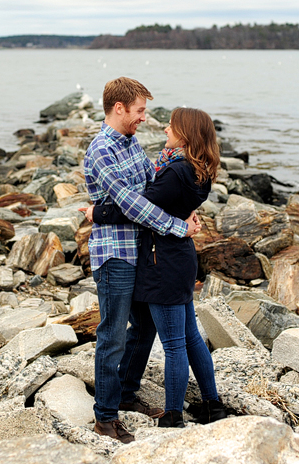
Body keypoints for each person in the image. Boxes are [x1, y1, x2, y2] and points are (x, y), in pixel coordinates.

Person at [88, 107, 228, 428]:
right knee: (191, 336)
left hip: (161, 262)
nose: (165, 129)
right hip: (179, 257)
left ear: (186, 134)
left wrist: (98, 214)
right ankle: (213, 405)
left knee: (175, 344)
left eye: (171, 126)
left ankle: (173, 415)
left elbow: (136, 209)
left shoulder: (176, 172)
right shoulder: (198, 169)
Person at [83, 77, 201, 444]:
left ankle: (126, 393)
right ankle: (105, 417)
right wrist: (177, 227)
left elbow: (152, 184)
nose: (144, 119)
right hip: (114, 255)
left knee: (146, 326)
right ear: (119, 108)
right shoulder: (101, 150)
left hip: (141, 251)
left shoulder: (132, 144)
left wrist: (187, 198)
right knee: (113, 336)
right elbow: (131, 203)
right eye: (139, 111)